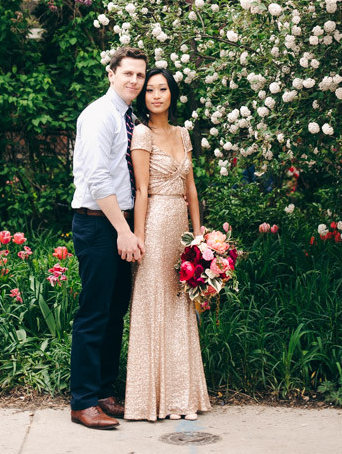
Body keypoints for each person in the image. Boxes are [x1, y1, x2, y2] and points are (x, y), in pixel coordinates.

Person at [124, 67, 211, 422]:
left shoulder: (183, 133)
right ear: (144, 98)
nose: (156, 95)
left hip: (181, 227)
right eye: (150, 90)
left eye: (162, 89)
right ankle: (154, 401)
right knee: (156, 303)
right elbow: (142, 190)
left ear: (171, 94)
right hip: (156, 222)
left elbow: (191, 189)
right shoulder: (142, 134)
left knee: (181, 305)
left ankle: (182, 397)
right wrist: (139, 237)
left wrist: (200, 236)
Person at [70, 46, 148, 430]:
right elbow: (98, 179)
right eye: (127, 73)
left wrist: (129, 228)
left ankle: (103, 392)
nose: (134, 80)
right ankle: (82, 402)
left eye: (139, 75)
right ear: (111, 74)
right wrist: (123, 230)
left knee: (114, 312)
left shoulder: (127, 116)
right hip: (99, 224)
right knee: (94, 314)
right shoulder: (100, 115)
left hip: (118, 223)